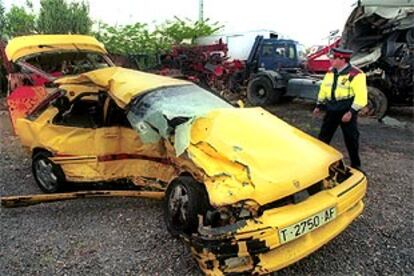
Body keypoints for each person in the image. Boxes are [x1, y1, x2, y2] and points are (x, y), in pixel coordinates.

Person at [313, 47, 368, 170]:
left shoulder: (356, 74)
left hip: (346, 110)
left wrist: (351, 112)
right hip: (331, 108)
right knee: (323, 137)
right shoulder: (330, 72)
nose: (330, 60)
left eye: (333, 58)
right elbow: (324, 89)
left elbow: (361, 97)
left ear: (342, 59)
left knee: (351, 138)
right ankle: (318, 162)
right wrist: (319, 105)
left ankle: (356, 165)